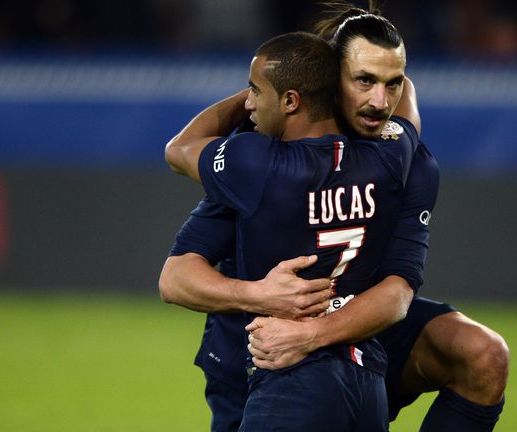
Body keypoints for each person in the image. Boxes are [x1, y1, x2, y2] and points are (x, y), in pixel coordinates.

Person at [162, 4, 509, 432]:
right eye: (363, 80)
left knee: (481, 354)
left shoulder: (402, 164)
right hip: (254, 351)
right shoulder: (274, 151)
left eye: (392, 82)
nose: (379, 101)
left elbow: (397, 291)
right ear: (328, 78)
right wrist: (260, 296)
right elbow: (179, 275)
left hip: (358, 334)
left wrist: (312, 334)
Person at [164, 30, 419, 431]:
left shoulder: (258, 165)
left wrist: (282, 78)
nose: (249, 103)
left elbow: (179, 149)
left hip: (291, 377)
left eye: (255, 91)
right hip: (366, 377)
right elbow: (405, 111)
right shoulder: (392, 158)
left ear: (290, 100)